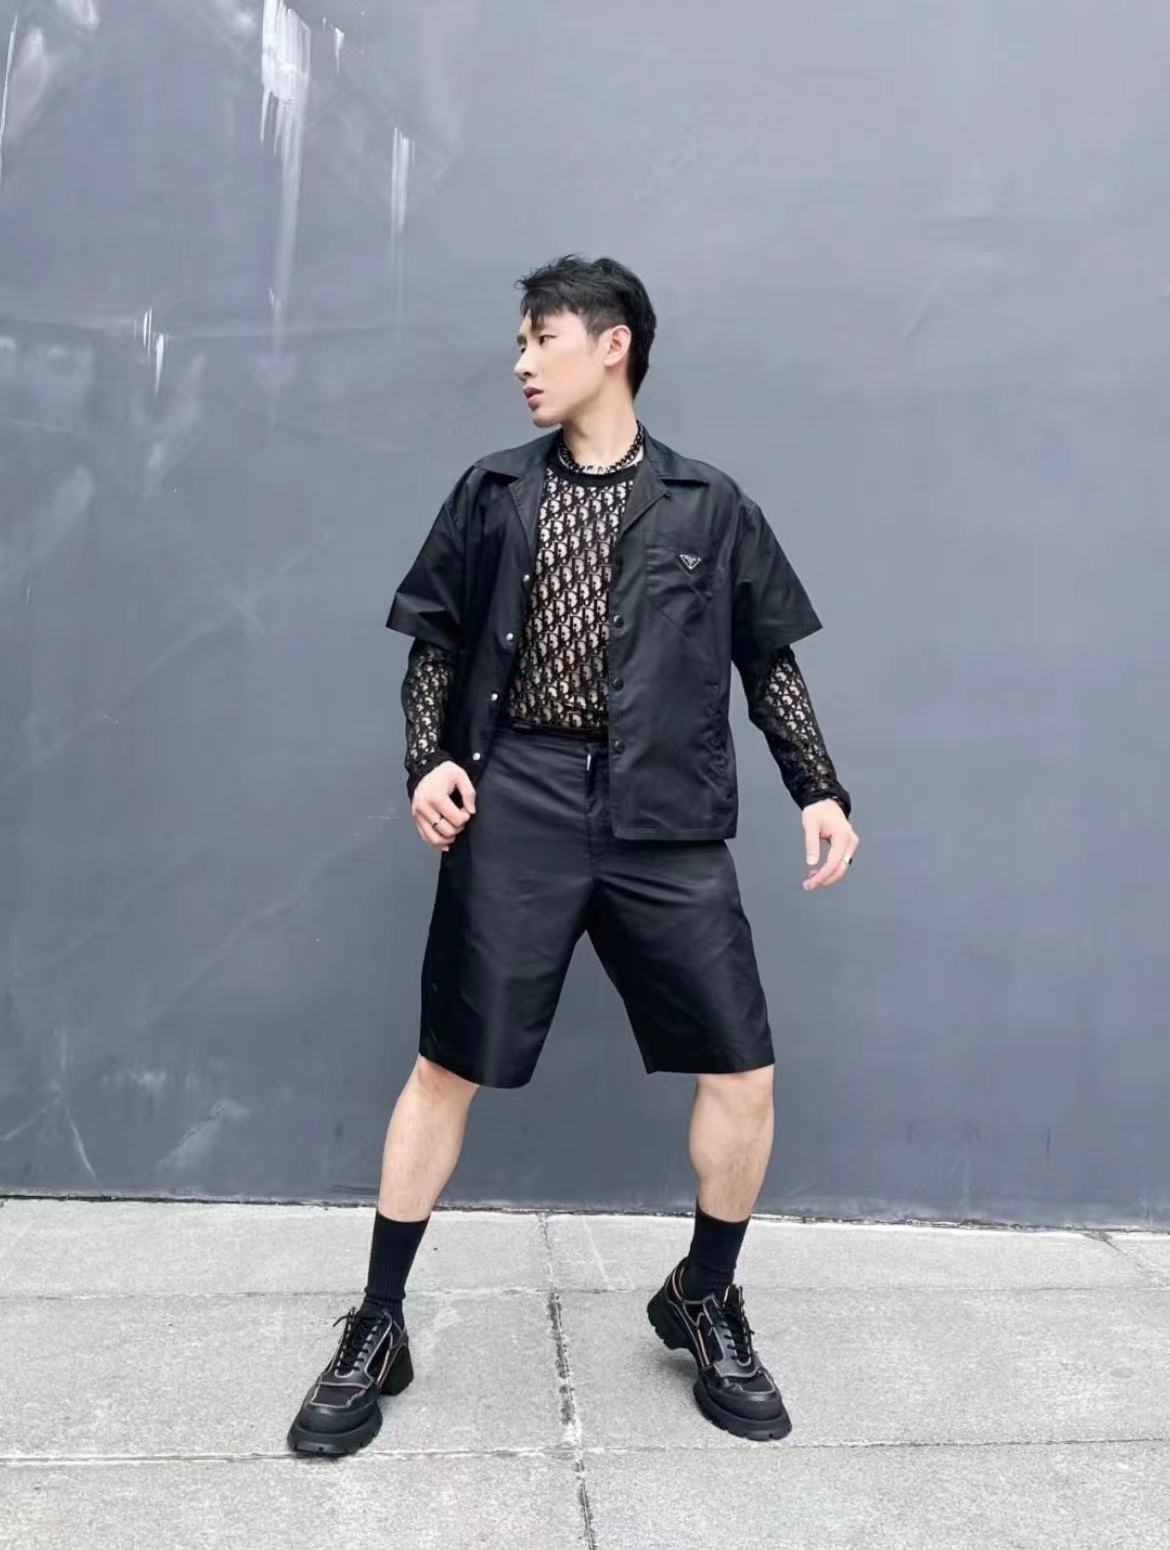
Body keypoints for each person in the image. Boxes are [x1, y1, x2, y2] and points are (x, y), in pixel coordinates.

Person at [287, 254, 859, 1457]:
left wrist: (819, 786)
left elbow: (769, 658)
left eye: (540, 337)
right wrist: (428, 762)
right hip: (523, 795)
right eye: (520, 340)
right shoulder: (495, 491)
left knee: (743, 1069)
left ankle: (705, 1292)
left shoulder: (709, 502)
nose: (521, 362)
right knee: (446, 1063)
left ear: (613, 345)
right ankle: (377, 1321)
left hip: (667, 806)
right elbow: (434, 643)